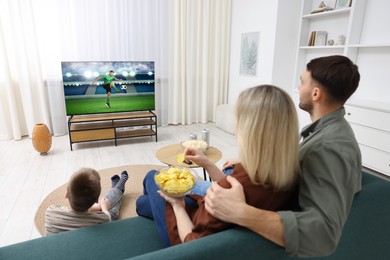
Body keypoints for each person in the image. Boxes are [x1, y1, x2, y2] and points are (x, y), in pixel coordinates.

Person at [204, 55, 362, 257]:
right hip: (270, 193)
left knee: (187, 189)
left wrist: (241, 212)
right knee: (208, 184)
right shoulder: (331, 131)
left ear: (316, 93)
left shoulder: (329, 147)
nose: (298, 87)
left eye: (302, 82)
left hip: (262, 208)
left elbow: (324, 234)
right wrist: (249, 161)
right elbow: (308, 167)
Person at [136, 85, 301, 247]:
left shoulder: (230, 194)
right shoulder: (288, 172)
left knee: (151, 178)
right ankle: (149, 203)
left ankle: (149, 205)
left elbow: (192, 243)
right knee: (145, 202)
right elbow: (234, 186)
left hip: (185, 238)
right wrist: (206, 163)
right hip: (210, 219)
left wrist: (178, 206)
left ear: (249, 129)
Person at [45, 168, 129, 235]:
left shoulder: (50, 211)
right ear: (96, 200)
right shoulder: (103, 219)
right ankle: (118, 188)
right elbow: (108, 218)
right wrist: (103, 207)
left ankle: (117, 188)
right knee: (112, 212)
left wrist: (98, 206)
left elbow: (70, 210)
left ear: (66, 194)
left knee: (106, 204)